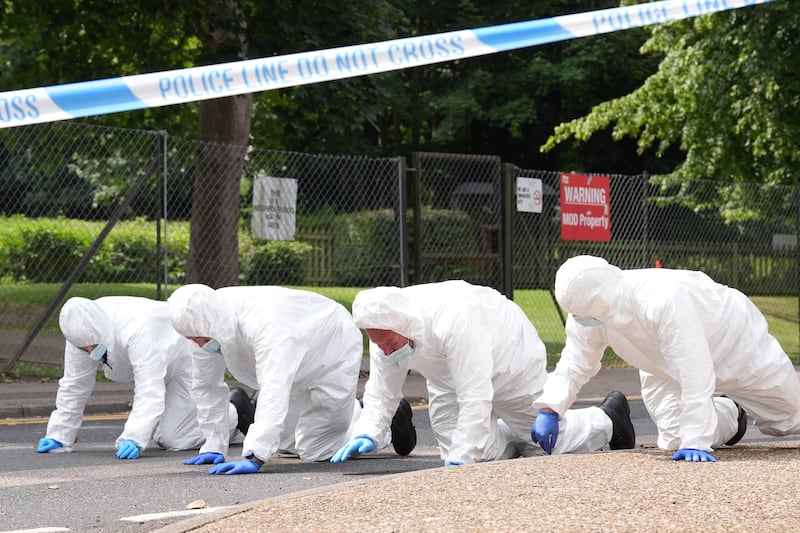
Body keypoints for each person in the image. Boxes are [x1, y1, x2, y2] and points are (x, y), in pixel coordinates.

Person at [330, 280, 635, 467]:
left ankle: (608, 418)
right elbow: (383, 390)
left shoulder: (455, 319)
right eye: (380, 344)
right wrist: (368, 431)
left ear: (405, 326)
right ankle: (512, 436)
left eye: (391, 343)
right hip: (447, 376)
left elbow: (475, 394)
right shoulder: (385, 327)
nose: (386, 351)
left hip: (511, 361)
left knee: (547, 446)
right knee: (468, 454)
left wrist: (465, 452)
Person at [534, 254, 800, 463]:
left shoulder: (664, 299)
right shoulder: (588, 311)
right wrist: (550, 408)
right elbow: (575, 362)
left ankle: (715, 414)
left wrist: (696, 440)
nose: (580, 320)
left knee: (789, 420)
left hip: (738, 347)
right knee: (675, 438)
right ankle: (732, 414)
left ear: (602, 302)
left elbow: (695, 369)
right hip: (662, 365)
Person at [167, 284, 416, 476]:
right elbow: (206, 386)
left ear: (212, 324)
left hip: (331, 349)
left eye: (200, 338)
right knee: (286, 444)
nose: (200, 345)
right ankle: (355, 411)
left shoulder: (267, 323)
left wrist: (254, 457)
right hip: (293, 362)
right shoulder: (201, 320)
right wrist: (213, 443)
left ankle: (386, 424)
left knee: (316, 449)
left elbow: (274, 386)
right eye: (192, 340)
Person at [36, 296, 251, 459]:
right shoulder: (78, 334)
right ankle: (228, 424)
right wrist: (59, 434)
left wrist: (134, 437)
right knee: (169, 434)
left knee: (173, 438)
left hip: (183, 360)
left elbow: (149, 389)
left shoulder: (139, 329)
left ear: (104, 332)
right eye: (85, 349)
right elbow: (74, 384)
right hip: (157, 362)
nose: (91, 352)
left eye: (95, 346)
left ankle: (237, 411)